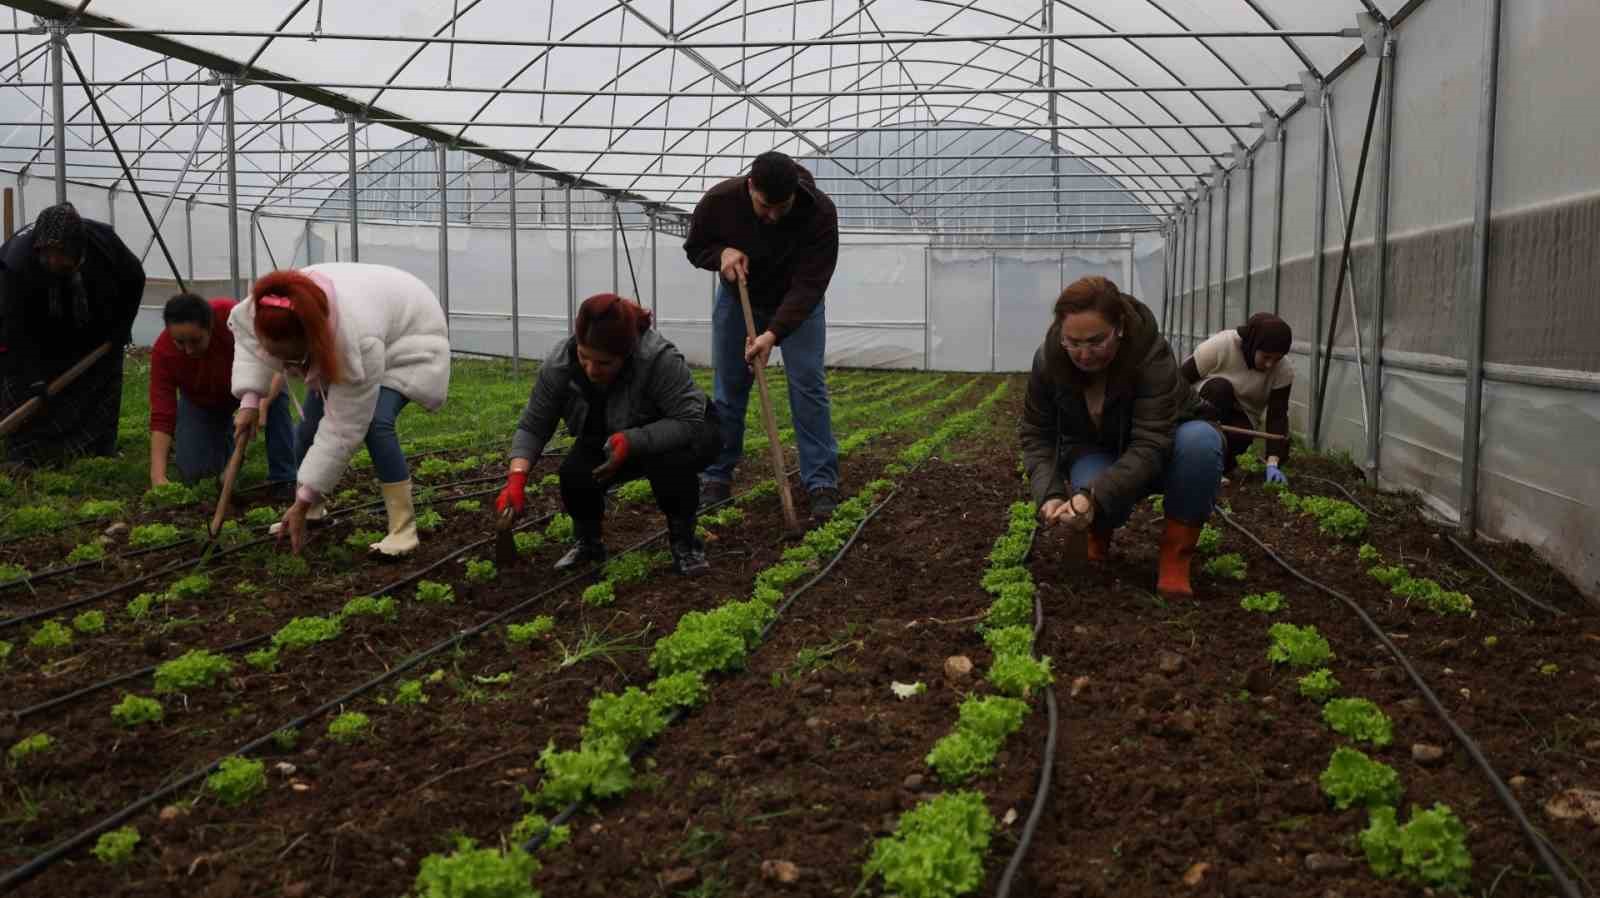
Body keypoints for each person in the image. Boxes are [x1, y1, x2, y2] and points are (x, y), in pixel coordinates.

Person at [1020, 276, 1224, 599]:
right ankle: (1097, 534)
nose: (1084, 354)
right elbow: (1036, 434)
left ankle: (1175, 557)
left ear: (1120, 328)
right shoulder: (1049, 362)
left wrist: (1094, 496)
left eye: (1096, 341)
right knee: (1092, 488)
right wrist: (1049, 494)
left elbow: (1151, 442)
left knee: (1200, 442)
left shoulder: (1150, 356)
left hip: (1167, 447)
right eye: (1073, 342)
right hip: (1097, 448)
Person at [229, 264, 450, 556]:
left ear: (313, 341)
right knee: (308, 428)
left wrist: (303, 497)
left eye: (292, 358)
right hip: (363, 322)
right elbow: (250, 345)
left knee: (375, 423)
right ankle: (310, 510)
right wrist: (249, 400)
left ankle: (403, 529)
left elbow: (344, 427)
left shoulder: (357, 339)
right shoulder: (264, 310)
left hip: (410, 336)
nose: (285, 366)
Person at [497, 293, 720, 576]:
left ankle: (685, 543)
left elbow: (688, 419)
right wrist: (516, 479)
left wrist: (633, 441)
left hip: (683, 429)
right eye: (584, 357)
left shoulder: (657, 359)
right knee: (575, 475)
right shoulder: (560, 364)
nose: (591, 369)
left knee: (670, 464)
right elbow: (534, 425)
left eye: (603, 363)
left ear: (625, 354)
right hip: (610, 431)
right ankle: (588, 542)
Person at [684, 150, 841, 518]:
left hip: (798, 305)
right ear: (750, 186)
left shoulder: (819, 212)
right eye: (764, 206)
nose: (772, 216)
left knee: (808, 386)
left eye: (781, 207)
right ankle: (716, 477)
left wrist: (772, 334)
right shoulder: (721, 201)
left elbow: (810, 284)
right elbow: (695, 248)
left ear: (796, 193)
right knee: (730, 387)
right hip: (739, 300)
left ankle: (821, 482)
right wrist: (721, 253)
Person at [0, 202, 145, 463]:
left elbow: (135, 278)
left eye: (60, 253)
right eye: (47, 253)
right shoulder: (16, 264)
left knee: (101, 384)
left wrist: (121, 330)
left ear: (78, 247)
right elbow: (13, 328)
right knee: (25, 388)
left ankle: (97, 450)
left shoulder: (104, 243)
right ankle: (24, 454)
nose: (53, 260)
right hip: (38, 336)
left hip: (96, 331)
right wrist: (32, 375)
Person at [149, 293, 296, 495]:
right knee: (197, 474)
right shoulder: (163, 353)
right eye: (180, 343)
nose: (188, 350)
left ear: (211, 327)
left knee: (276, 399)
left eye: (195, 341)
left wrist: (261, 404)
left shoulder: (232, 316)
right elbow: (161, 414)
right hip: (202, 402)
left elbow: (275, 359)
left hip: (252, 386)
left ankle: (285, 477)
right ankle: (228, 456)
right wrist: (157, 476)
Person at [1182, 313, 1294, 485]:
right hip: (1203, 407)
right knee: (1220, 389)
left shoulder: (1283, 371)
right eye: (1266, 357)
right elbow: (1180, 380)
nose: (1270, 364)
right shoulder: (1221, 346)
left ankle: (1219, 468)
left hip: (1242, 413)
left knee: (1242, 433)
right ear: (1252, 344)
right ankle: (1194, 458)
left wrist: (1273, 463)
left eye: (1277, 359)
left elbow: (1277, 416)